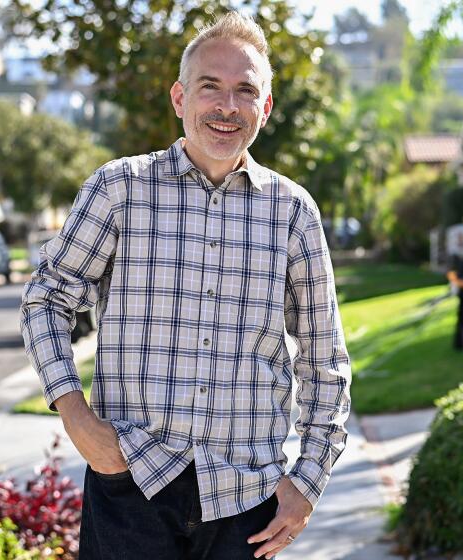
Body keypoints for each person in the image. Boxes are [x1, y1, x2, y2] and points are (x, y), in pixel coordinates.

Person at [20, 12, 351, 560]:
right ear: (179, 97)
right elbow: (46, 299)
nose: (227, 106)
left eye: (246, 91)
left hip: (247, 500)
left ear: (264, 108)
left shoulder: (294, 212)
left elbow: (325, 359)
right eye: (210, 87)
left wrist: (307, 483)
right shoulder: (118, 189)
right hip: (131, 482)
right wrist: (76, 417)